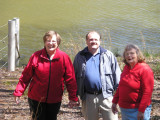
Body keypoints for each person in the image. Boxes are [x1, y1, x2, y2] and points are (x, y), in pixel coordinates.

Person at [13, 30, 79, 120]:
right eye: (48, 41)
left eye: (53, 41)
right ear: (44, 42)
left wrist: (72, 97)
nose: (51, 43)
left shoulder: (64, 57)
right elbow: (26, 76)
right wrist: (18, 92)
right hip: (36, 98)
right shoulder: (36, 56)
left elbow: (70, 79)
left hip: (55, 98)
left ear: (58, 43)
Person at [73, 31, 121, 120]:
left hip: (106, 96)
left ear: (100, 41)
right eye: (91, 39)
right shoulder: (79, 56)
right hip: (88, 97)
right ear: (86, 41)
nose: (93, 41)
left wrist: (118, 94)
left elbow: (117, 75)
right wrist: (74, 95)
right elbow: (74, 76)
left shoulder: (108, 55)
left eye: (96, 39)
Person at [112, 44, 154, 120]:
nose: (129, 56)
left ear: (138, 55)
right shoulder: (126, 67)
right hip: (124, 109)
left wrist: (141, 111)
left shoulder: (145, 69)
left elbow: (147, 92)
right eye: (127, 54)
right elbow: (121, 86)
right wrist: (114, 102)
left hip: (137, 110)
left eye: (132, 53)